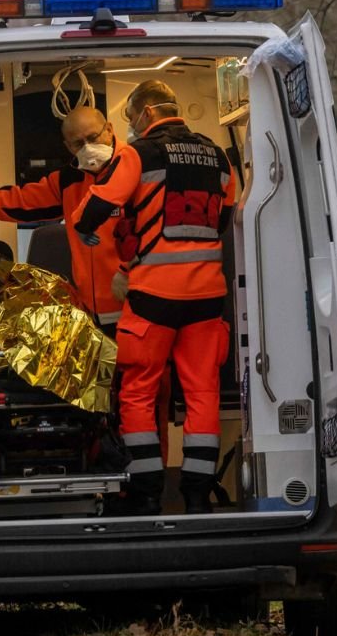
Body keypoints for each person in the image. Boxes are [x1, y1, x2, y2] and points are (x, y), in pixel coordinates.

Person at [72, 80, 236, 514]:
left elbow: (98, 207)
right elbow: (226, 217)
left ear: (145, 114)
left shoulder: (138, 154)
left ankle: (146, 491)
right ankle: (198, 494)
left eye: (130, 119)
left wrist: (86, 230)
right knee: (203, 393)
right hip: (206, 297)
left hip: (153, 298)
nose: (131, 127)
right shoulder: (218, 155)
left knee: (138, 392)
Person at [0, 106, 125, 331]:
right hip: (94, 315)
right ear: (68, 147)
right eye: (79, 143)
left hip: (139, 309)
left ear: (109, 129)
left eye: (93, 137)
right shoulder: (69, 181)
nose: (88, 147)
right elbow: (16, 202)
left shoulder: (137, 169)